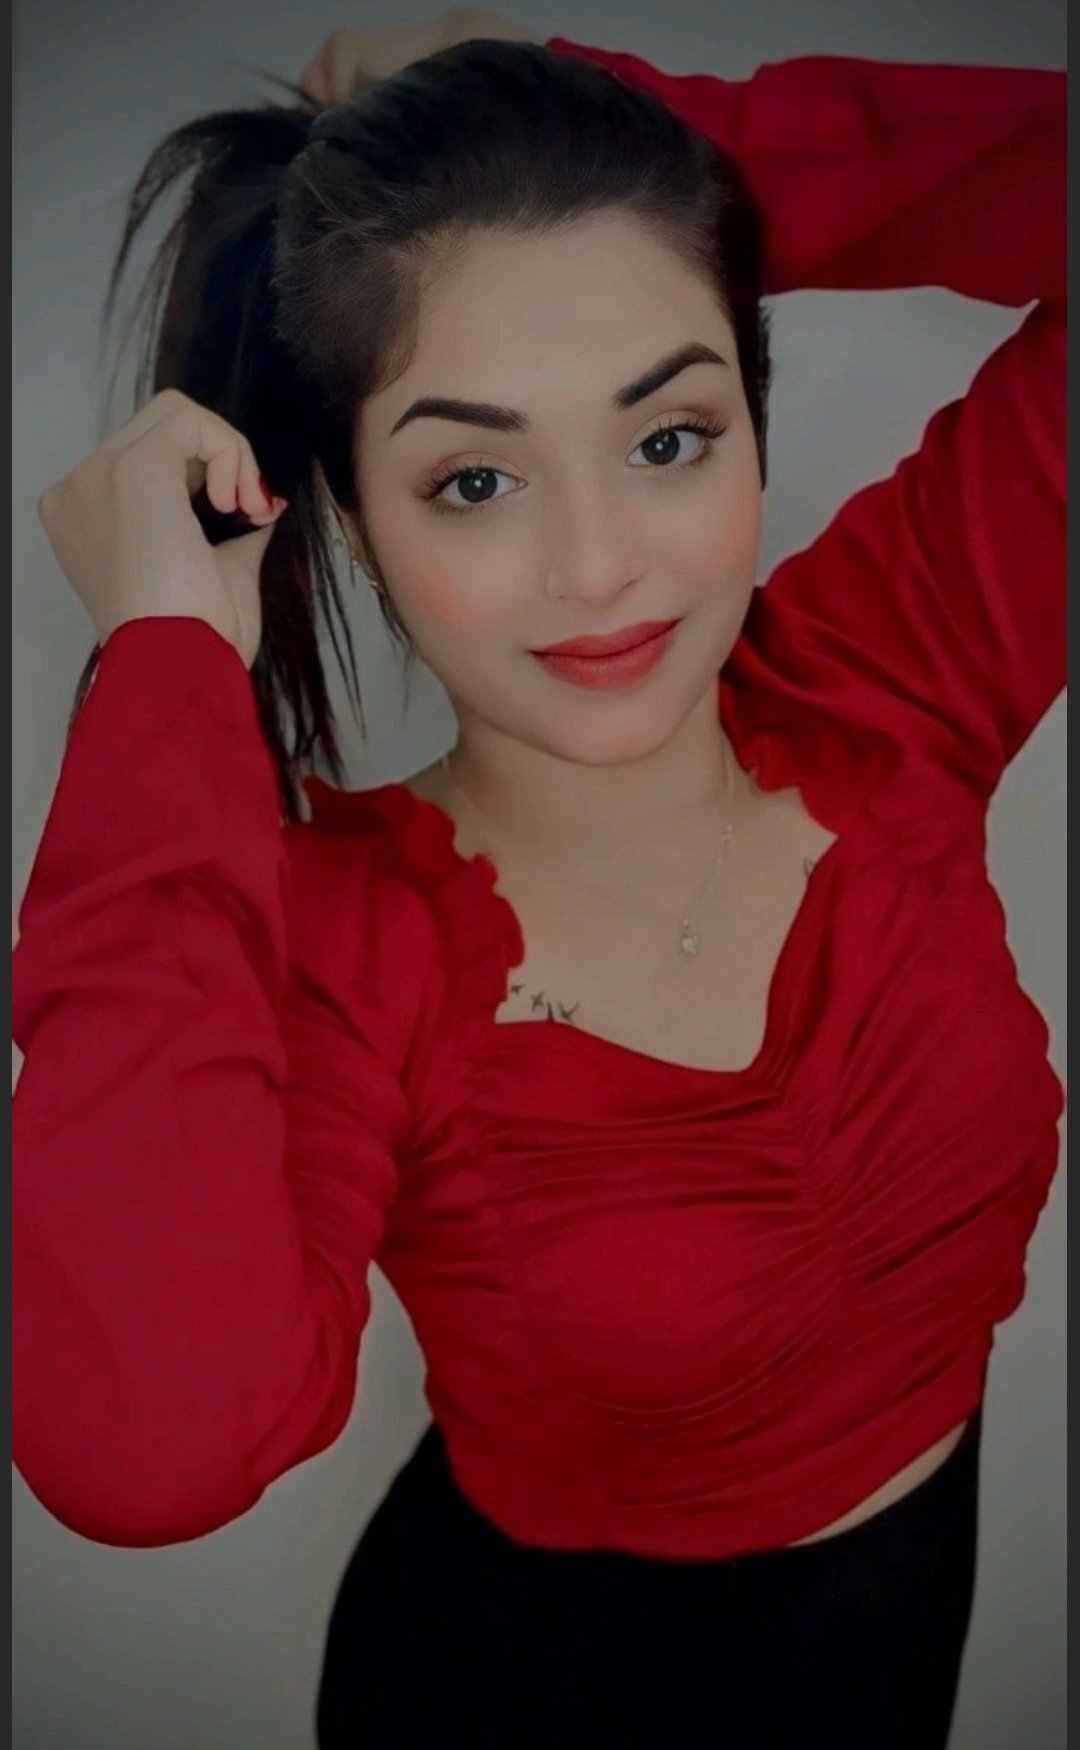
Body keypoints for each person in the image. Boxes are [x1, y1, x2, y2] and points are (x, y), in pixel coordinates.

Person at [13, 9, 1065, 1747]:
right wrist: (165, 666)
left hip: (899, 1643)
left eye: (668, 437)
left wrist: (654, 154)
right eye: (476, 477)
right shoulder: (347, 949)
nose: (598, 566)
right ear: (351, 513)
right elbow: (144, 1448)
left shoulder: (895, 685)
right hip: (520, 1691)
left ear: (752, 416)